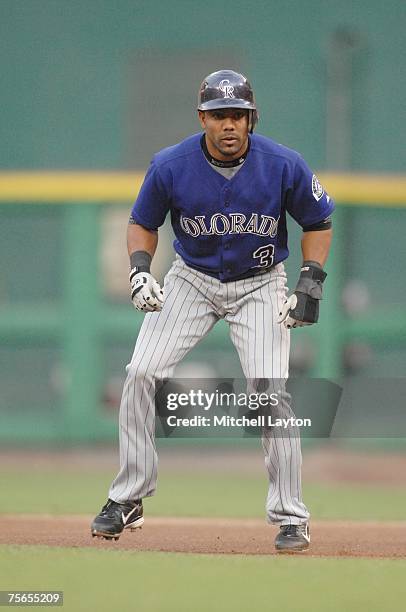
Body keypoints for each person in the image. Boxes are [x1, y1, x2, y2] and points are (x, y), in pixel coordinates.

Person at [91, 69, 334, 552]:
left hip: (261, 283)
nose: (229, 124)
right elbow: (143, 223)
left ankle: (291, 516)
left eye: (238, 115)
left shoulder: (284, 164)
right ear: (202, 117)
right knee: (141, 373)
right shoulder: (170, 164)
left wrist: (311, 278)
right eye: (219, 114)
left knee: (270, 394)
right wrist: (140, 270)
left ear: (252, 118)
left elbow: (318, 221)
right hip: (192, 280)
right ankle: (129, 496)